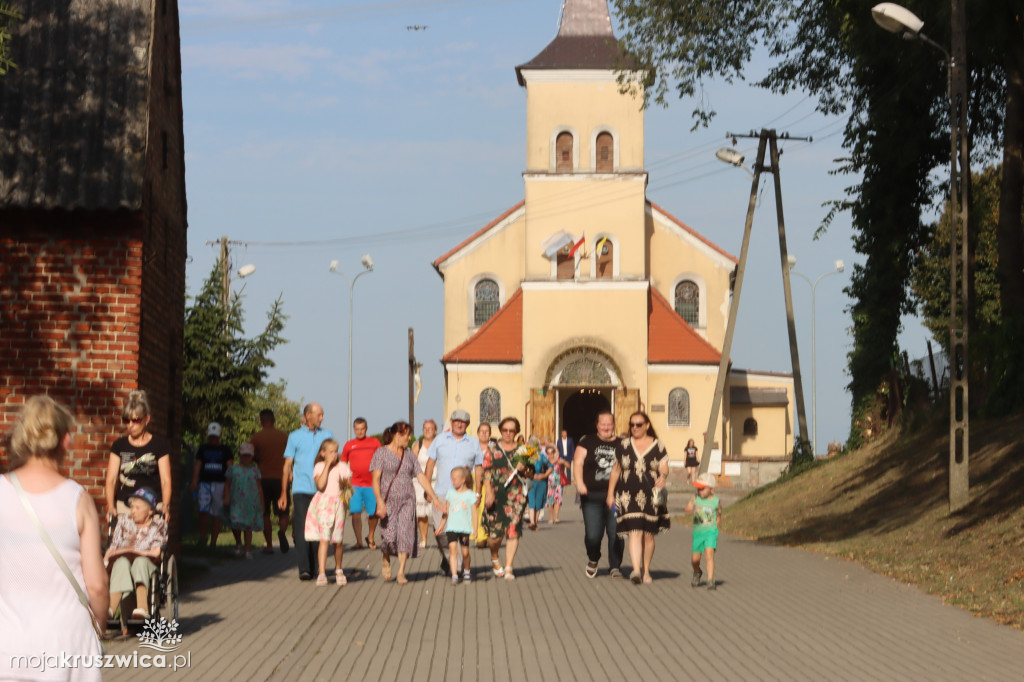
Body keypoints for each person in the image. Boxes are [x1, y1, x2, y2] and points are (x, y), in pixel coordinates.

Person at [0, 396, 107, 680]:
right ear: (65, 440)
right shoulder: (78, 500)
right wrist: (100, 624)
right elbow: (96, 586)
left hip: (8, 646)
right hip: (67, 645)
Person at [371, 421, 441, 585]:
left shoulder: (409, 455)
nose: (410, 438)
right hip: (388, 501)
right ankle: (386, 556)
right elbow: (375, 480)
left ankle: (401, 571)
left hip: (408, 501)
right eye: (407, 435)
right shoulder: (381, 453)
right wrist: (379, 501)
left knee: (404, 535)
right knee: (388, 537)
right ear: (397, 435)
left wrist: (434, 496)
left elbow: (421, 476)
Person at [607, 411, 670, 585]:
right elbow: (616, 470)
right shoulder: (623, 445)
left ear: (647, 425)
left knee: (648, 535)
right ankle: (636, 569)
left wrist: (663, 477)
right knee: (634, 531)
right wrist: (610, 493)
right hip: (627, 495)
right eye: (632, 424)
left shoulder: (658, 445)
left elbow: (664, 467)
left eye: (639, 424)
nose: (635, 427)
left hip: (651, 496)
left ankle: (646, 570)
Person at [423, 409, 482, 575]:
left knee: (458, 531)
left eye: (463, 422)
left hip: (462, 495)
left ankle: (457, 567)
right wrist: (427, 489)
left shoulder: (473, 443)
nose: (459, 424)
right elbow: (430, 463)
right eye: (456, 420)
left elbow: (478, 469)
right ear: (451, 421)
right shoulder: (440, 440)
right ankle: (449, 557)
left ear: (467, 424)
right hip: (441, 492)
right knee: (440, 531)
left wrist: (478, 493)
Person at [279, 403, 333, 581]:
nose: (322, 418)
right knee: (303, 530)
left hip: (322, 489)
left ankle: (319, 567)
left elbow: (334, 461)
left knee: (319, 530)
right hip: (301, 489)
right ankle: (304, 568)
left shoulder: (327, 436)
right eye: (319, 415)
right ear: (308, 415)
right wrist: (283, 493)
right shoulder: (294, 437)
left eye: (323, 415)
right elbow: (287, 466)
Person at [105, 389, 172, 526]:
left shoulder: (159, 446)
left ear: (146, 419)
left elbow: (166, 480)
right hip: (125, 507)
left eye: (135, 420)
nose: (130, 425)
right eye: (126, 420)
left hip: (152, 507)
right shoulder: (119, 446)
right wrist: (111, 506)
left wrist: (165, 505)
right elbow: (111, 479)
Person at [105, 487, 167, 620]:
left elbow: (155, 553)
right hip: (122, 562)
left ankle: (142, 609)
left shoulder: (159, 524)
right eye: (131, 507)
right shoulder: (124, 521)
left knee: (140, 561)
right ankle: (110, 610)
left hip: (147, 564)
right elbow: (113, 547)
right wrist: (106, 560)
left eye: (137, 508)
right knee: (121, 562)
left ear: (150, 511)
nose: (132, 510)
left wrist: (130, 551)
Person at [573, 411, 623, 578]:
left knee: (616, 532)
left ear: (614, 425)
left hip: (616, 496)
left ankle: (615, 565)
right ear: (597, 426)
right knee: (593, 535)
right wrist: (579, 483)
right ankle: (593, 558)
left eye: (609, 424)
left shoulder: (622, 444)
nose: (606, 427)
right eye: (603, 424)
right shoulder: (587, 442)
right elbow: (578, 463)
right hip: (592, 496)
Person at [482, 416, 529, 580]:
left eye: (512, 430)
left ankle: (509, 566)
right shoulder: (492, 450)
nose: (508, 433)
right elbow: (486, 473)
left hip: (516, 496)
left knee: (513, 531)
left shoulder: (523, 450)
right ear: (501, 431)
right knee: (494, 536)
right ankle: (494, 556)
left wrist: (525, 469)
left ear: (516, 432)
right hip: (496, 495)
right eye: (505, 430)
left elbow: (531, 472)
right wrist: (488, 493)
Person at [303, 438, 352, 586]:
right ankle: (322, 572)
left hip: (338, 503)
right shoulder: (319, 466)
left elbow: (348, 487)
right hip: (324, 504)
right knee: (324, 539)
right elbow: (320, 485)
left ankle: (338, 569)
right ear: (323, 453)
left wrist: (347, 486)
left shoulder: (342, 466)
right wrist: (327, 466)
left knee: (337, 540)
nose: (334, 454)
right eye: (331, 452)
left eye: (336, 451)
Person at [251, 408, 290, 554]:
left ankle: (269, 546)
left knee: (265, 512)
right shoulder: (283, 436)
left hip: (263, 479)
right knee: (283, 511)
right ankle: (282, 531)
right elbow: (290, 457)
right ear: (273, 420)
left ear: (261, 421)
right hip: (281, 479)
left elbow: (250, 454)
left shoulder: (256, 437)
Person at [341, 417, 382, 550]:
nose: (359, 432)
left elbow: (381, 459)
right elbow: (342, 464)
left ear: (366, 429)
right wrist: (344, 482)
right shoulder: (349, 445)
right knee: (356, 512)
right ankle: (359, 541)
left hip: (372, 484)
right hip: (355, 485)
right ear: (354, 429)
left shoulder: (374, 442)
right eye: (357, 429)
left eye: (362, 429)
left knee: (373, 513)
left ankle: (370, 536)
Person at [191, 422, 233, 548]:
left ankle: (214, 541)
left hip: (220, 484)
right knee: (202, 511)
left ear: (220, 435)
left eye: (215, 436)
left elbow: (230, 469)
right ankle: (203, 538)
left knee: (217, 513)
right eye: (211, 437)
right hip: (204, 484)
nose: (213, 439)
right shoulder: (203, 448)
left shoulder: (226, 450)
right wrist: (194, 481)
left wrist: (227, 489)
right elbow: (198, 465)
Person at [434, 466, 479, 585]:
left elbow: (475, 512)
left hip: (464, 528)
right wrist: (440, 526)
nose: (453, 482)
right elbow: (447, 512)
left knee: (465, 553)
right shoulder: (450, 493)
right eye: (451, 479)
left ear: (463, 479)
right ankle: (454, 575)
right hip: (451, 528)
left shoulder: (470, 494)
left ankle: (467, 571)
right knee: (453, 551)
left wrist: (476, 528)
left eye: (455, 479)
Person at [224, 442, 264, 559]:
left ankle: (247, 549)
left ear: (252, 457)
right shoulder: (233, 470)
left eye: (249, 456)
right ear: (239, 455)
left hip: (251, 502)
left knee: (248, 527)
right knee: (235, 524)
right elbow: (227, 484)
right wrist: (226, 496)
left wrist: (261, 503)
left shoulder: (255, 471)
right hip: (236, 501)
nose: (246, 458)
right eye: (244, 455)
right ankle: (238, 543)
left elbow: (259, 488)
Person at [685, 472, 721, 590]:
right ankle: (697, 571)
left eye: (702, 489)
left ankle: (710, 580)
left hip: (711, 532)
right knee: (695, 560)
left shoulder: (716, 501)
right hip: (698, 533)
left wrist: (716, 527)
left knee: (709, 554)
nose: (700, 491)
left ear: (712, 489)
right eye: (698, 489)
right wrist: (691, 506)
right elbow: (687, 509)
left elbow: (719, 515)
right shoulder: (695, 498)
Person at [412, 419, 438, 549]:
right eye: (425, 428)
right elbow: (411, 462)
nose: (427, 430)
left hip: (436, 481)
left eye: (430, 428)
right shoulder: (418, 445)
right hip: (419, 482)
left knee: (437, 511)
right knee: (421, 513)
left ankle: (440, 538)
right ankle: (423, 539)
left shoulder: (439, 444)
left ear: (435, 430)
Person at [472, 423, 493, 547]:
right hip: (475, 479)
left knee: (489, 508)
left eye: (486, 431)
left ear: (490, 434)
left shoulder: (493, 448)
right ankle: (479, 537)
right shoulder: (473, 447)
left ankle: (487, 534)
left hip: (490, 480)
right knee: (477, 508)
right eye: (482, 431)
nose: (484, 433)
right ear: (478, 433)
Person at [526, 443, 552, 530]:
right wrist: (529, 475)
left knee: (538, 502)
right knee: (531, 501)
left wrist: (544, 475)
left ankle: (535, 523)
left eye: (535, 447)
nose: (533, 449)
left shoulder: (541, 456)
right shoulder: (526, 456)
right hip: (530, 481)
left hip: (541, 482)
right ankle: (532, 522)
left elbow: (551, 466)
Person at [545, 445, 564, 524]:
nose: (550, 455)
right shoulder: (545, 461)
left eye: (552, 453)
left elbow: (566, 466)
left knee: (558, 500)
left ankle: (556, 517)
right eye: (548, 453)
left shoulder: (558, 460)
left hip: (558, 483)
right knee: (550, 501)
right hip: (549, 484)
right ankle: (551, 517)